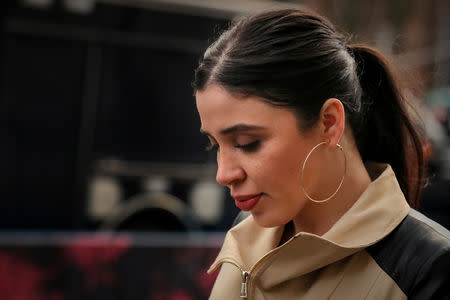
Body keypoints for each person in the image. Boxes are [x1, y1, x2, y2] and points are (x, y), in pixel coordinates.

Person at [192, 9, 450, 300]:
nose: (223, 174)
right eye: (215, 145)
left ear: (329, 122)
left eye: (247, 142)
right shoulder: (246, 231)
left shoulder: (429, 267)